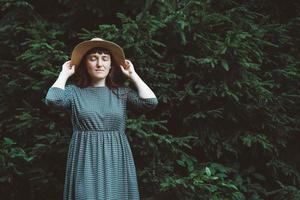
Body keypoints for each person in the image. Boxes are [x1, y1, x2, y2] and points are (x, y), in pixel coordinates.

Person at [44, 38, 158, 200]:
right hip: (85, 155)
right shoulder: (73, 92)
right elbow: (53, 100)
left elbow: (150, 102)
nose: (99, 64)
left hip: (116, 156)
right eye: (93, 58)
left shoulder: (121, 93)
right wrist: (64, 74)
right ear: (85, 64)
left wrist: (133, 75)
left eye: (105, 59)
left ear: (111, 65)